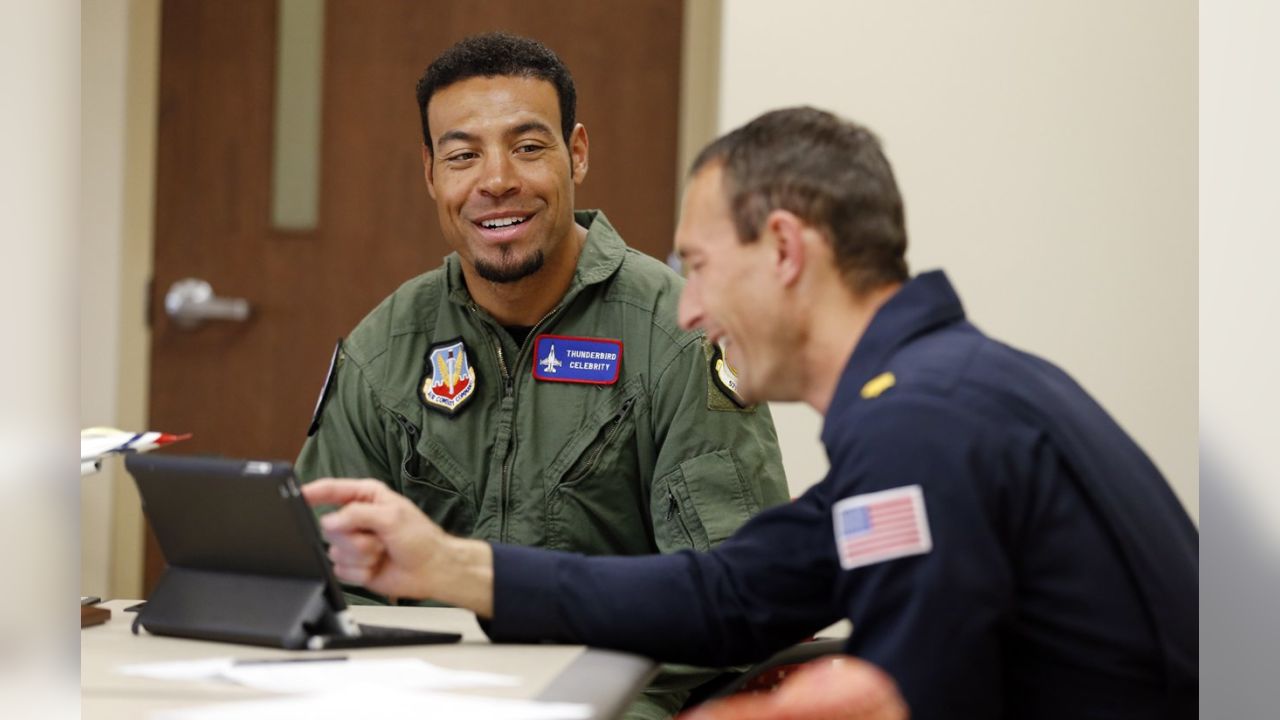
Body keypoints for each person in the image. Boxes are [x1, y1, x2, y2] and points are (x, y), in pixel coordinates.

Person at [303, 107, 1199, 719]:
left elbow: (885, 699)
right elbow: (728, 593)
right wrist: (452, 565)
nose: (688, 311)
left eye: (697, 265)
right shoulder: (939, 395)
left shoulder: (921, 424)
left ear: (782, 249)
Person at [295, 32, 790, 719]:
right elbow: (326, 581)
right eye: (463, 155)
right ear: (431, 174)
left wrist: (573, 692)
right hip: (423, 694)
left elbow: (734, 592)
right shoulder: (387, 347)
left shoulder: (677, 335)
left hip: (619, 696)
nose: (496, 180)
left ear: (576, 154)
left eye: (528, 147)